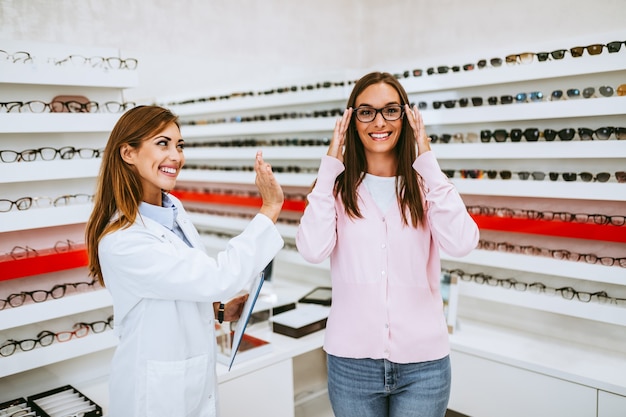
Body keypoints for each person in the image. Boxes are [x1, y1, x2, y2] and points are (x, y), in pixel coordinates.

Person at [296, 72, 479, 417]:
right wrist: (328, 168)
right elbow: (311, 248)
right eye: (366, 112)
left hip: (423, 365)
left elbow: (462, 242)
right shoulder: (334, 191)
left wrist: (427, 159)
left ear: (406, 116)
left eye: (390, 110)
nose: (379, 121)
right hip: (351, 364)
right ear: (351, 120)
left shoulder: (428, 186)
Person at [85, 105, 284, 417]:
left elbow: (175, 286)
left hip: (187, 379)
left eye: (179, 146)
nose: (176, 156)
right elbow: (218, 277)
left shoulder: (172, 210)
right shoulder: (123, 241)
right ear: (128, 153)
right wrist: (270, 207)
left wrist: (216, 308)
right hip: (153, 396)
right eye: (163, 143)